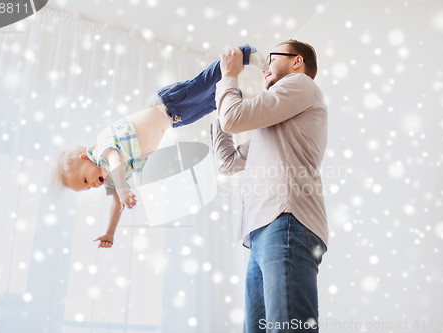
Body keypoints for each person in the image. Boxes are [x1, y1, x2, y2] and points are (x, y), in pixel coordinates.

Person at [50, 44, 268, 249]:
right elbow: (116, 205)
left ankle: (244, 53)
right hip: (174, 118)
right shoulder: (113, 178)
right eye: (87, 188)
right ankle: (254, 98)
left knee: (203, 84)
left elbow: (116, 160)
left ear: (84, 158)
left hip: (166, 102)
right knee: (214, 102)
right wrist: (110, 233)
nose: (92, 186)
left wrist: (124, 188)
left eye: (85, 180)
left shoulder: (100, 151)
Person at [210, 39, 329, 332]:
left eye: (272, 57)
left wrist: (229, 78)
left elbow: (235, 117)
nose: (265, 66)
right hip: (264, 229)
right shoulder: (275, 126)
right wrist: (216, 107)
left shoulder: (300, 84)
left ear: (296, 62)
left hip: (286, 220)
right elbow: (227, 161)